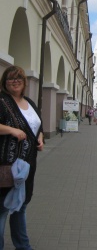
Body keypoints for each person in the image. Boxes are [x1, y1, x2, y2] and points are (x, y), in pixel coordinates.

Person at [0, 65, 44, 250]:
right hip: (6, 163)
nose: (14, 81)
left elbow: (37, 126)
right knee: (2, 208)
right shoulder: (2, 101)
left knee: (21, 205)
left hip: (27, 164)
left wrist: (40, 137)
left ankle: (23, 246)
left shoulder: (29, 102)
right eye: (10, 78)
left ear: (24, 82)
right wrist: (11, 130)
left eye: (18, 78)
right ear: (4, 82)